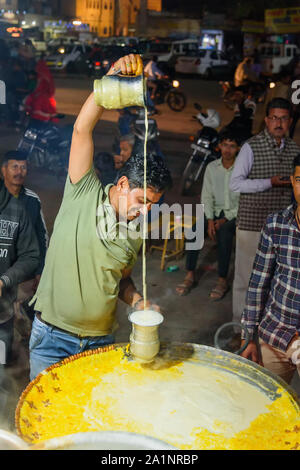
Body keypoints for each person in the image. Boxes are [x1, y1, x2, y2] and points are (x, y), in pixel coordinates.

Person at [29, 54, 172, 381]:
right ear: (122, 184)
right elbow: (82, 128)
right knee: (47, 425)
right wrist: (111, 79)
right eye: (142, 200)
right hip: (53, 339)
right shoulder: (84, 190)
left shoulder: (136, 230)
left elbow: (121, 279)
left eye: (153, 205)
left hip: (101, 342)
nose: (146, 210)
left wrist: (138, 301)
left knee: (89, 423)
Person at [230, 98, 300, 326]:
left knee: (274, 279)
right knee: (246, 277)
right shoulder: (251, 146)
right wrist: (268, 182)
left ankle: (263, 329)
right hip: (253, 222)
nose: (279, 123)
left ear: (290, 121)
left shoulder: (294, 149)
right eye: (274, 118)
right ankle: (240, 329)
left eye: (284, 118)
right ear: (267, 120)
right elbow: (236, 184)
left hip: (283, 227)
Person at [240, 153, 300, 384]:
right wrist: (249, 338)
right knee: (268, 403)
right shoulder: (276, 224)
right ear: (293, 182)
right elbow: (258, 284)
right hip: (275, 332)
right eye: (299, 180)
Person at [176, 131, 240, 299]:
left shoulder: (241, 170)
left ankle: (222, 279)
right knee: (194, 231)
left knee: (225, 234)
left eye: (232, 146)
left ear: (237, 148)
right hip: (213, 211)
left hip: (233, 214)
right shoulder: (212, 168)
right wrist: (210, 220)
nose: (227, 150)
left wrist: (225, 219)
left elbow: (243, 200)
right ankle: (190, 274)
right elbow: (206, 196)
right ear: (219, 146)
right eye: (225, 145)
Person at [1, 150, 48, 306]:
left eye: (23, 167)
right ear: (3, 170)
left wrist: (40, 270)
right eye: (14, 167)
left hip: (22, 273)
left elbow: (41, 238)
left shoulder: (32, 200)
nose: (19, 172)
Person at [25, 58, 57, 124]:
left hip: (42, 96)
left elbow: (39, 88)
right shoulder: (45, 76)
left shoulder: (42, 77)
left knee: (35, 106)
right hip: (43, 96)